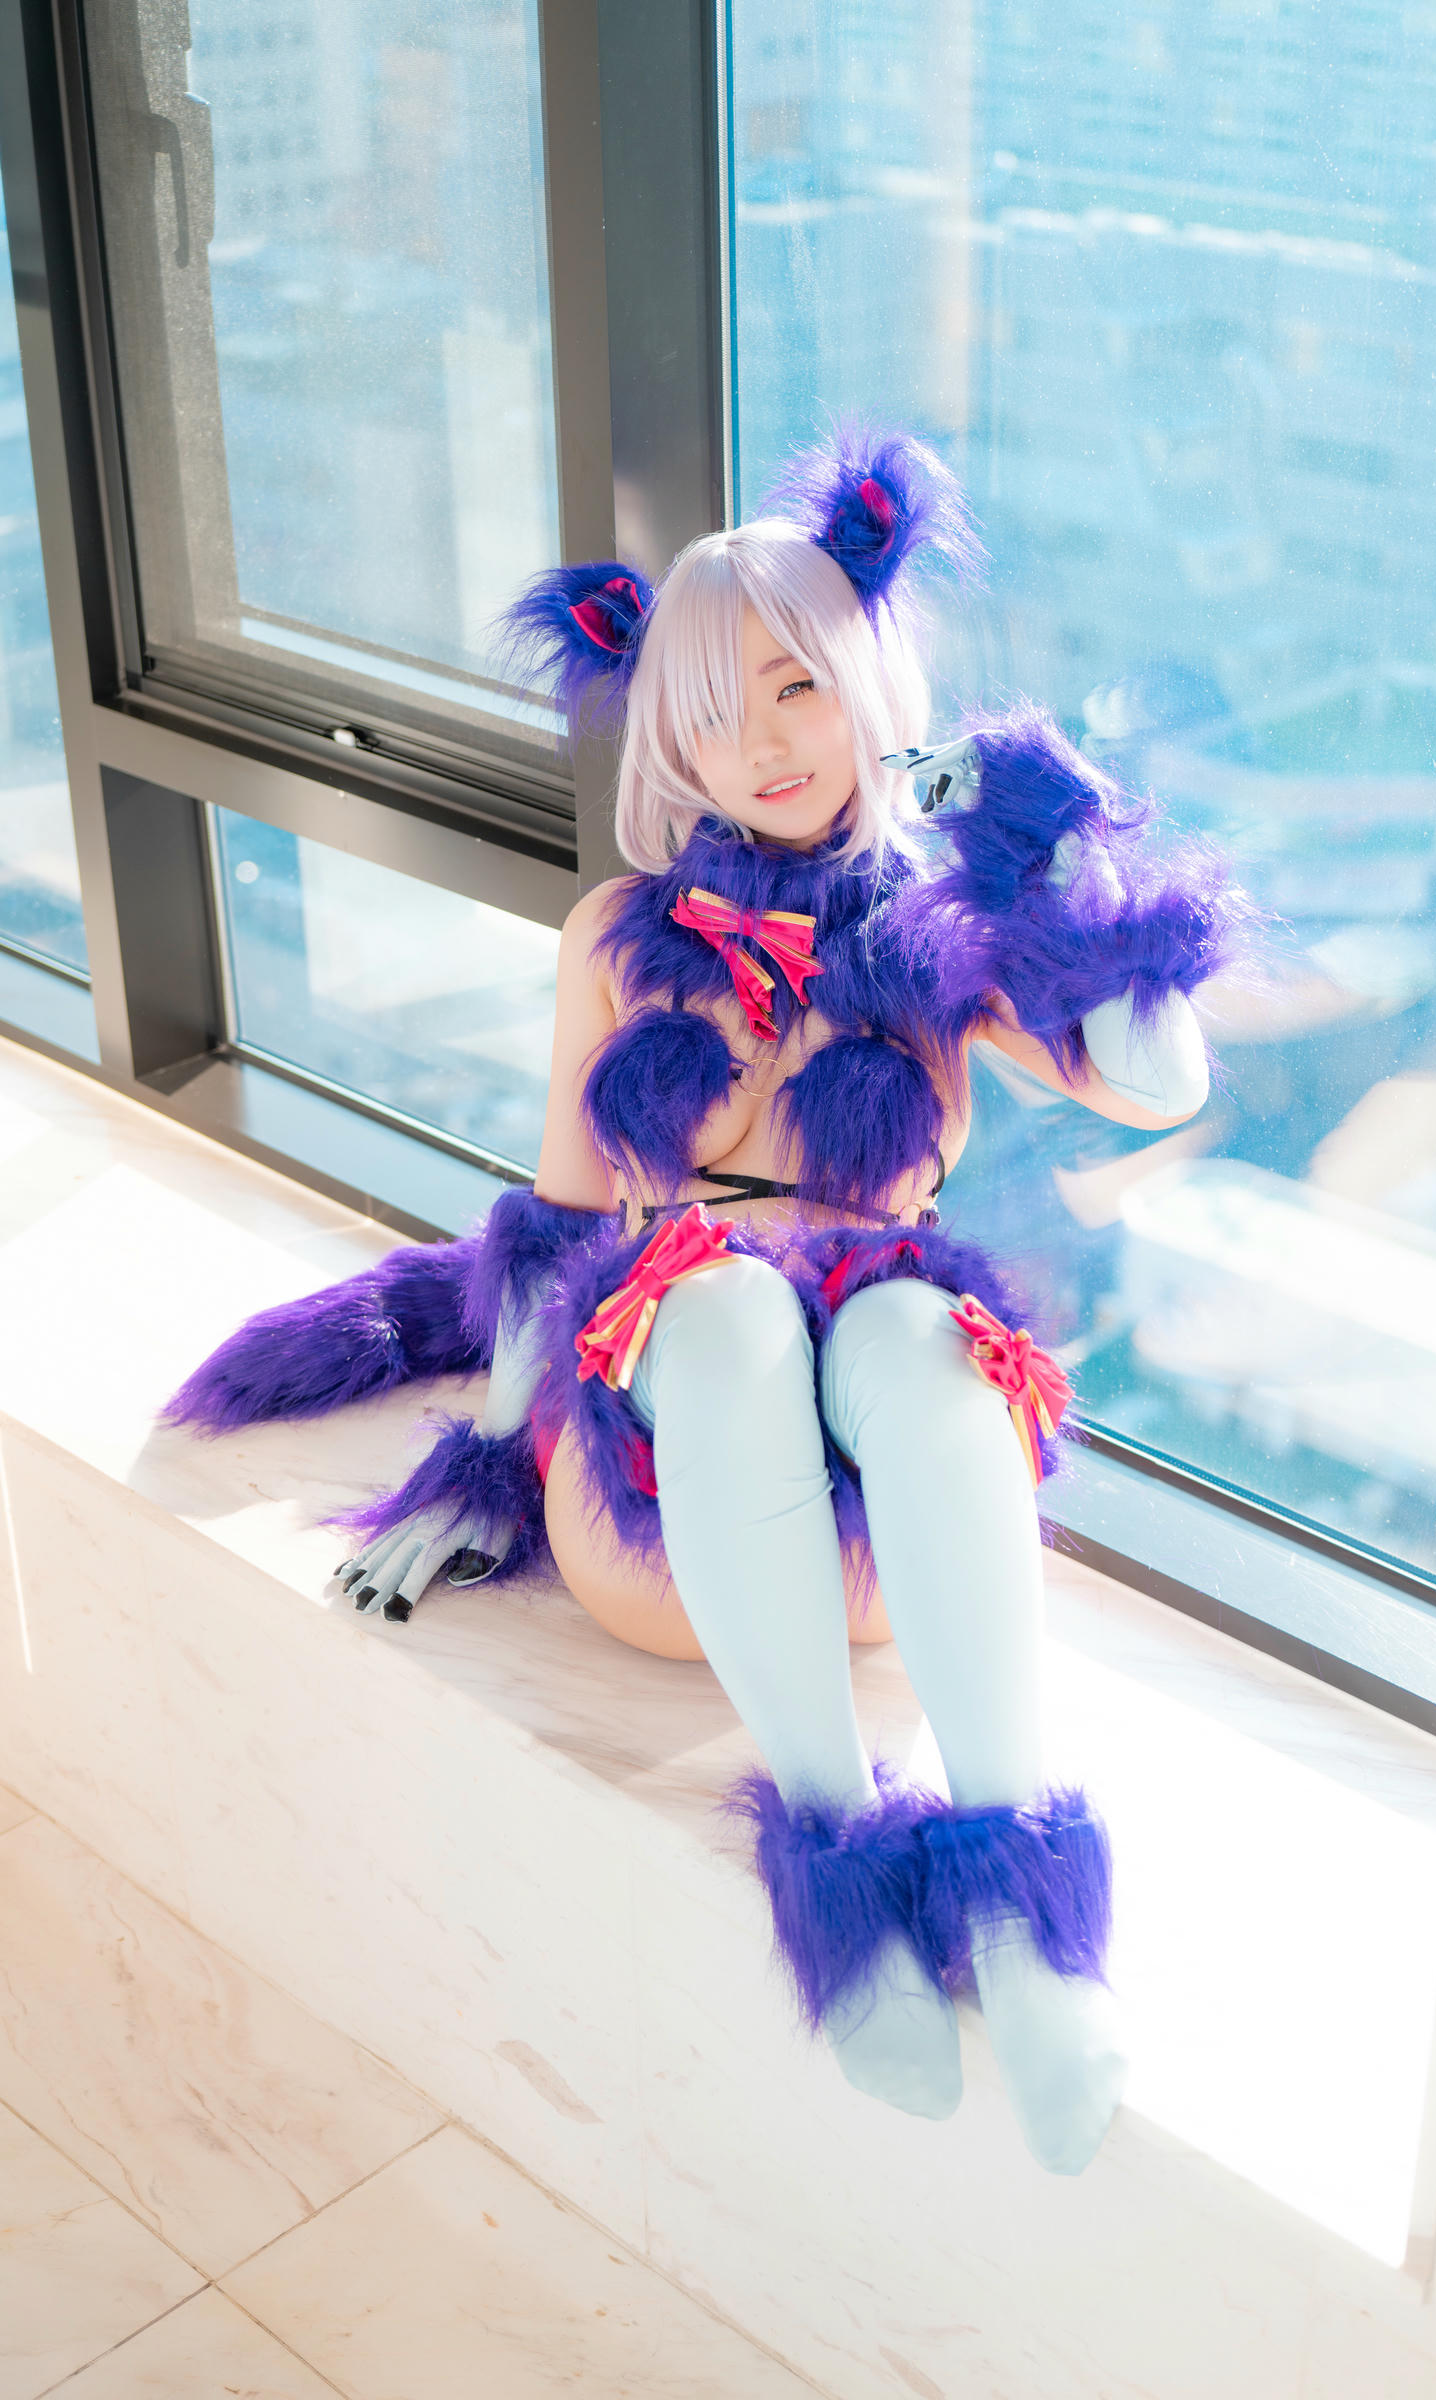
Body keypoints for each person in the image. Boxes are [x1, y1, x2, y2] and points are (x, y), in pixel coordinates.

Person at [168, 430, 1246, 2172]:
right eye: (710, 713)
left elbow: (1159, 1077)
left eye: (799, 686)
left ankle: (1029, 1912)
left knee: (914, 1327)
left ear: (872, 678)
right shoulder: (618, 931)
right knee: (729, 1308)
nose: (761, 743)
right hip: (663, 1516)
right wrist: (479, 1471)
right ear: (665, 740)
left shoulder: (940, 928)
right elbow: (557, 1227)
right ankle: (838, 1868)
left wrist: (1046, 854)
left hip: (882, 1542)